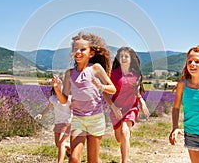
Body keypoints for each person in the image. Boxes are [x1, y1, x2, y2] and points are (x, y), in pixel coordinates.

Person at [51, 32, 117, 163]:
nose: (78, 52)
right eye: (75, 49)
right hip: (78, 120)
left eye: (82, 49)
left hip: (96, 120)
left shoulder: (96, 69)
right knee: (74, 158)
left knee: (93, 160)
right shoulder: (69, 74)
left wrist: (101, 86)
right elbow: (64, 100)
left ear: (91, 53)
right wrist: (57, 89)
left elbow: (113, 89)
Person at [109, 46, 150, 163]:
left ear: (131, 58)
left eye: (126, 56)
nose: (123, 58)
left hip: (131, 108)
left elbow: (136, 90)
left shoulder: (135, 74)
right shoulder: (113, 74)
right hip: (116, 108)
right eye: (121, 56)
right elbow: (106, 94)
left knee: (124, 132)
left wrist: (141, 101)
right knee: (119, 138)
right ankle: (126, 136)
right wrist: (113, 107)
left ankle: (124, 160)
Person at [35, 87, 72, 163]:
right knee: (57, 144)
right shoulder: (53, 98)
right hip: (58, 123)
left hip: (68, 122)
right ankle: (70, 147)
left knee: (61, 143)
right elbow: (48, 108)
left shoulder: (69, 98)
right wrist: (41, 114)